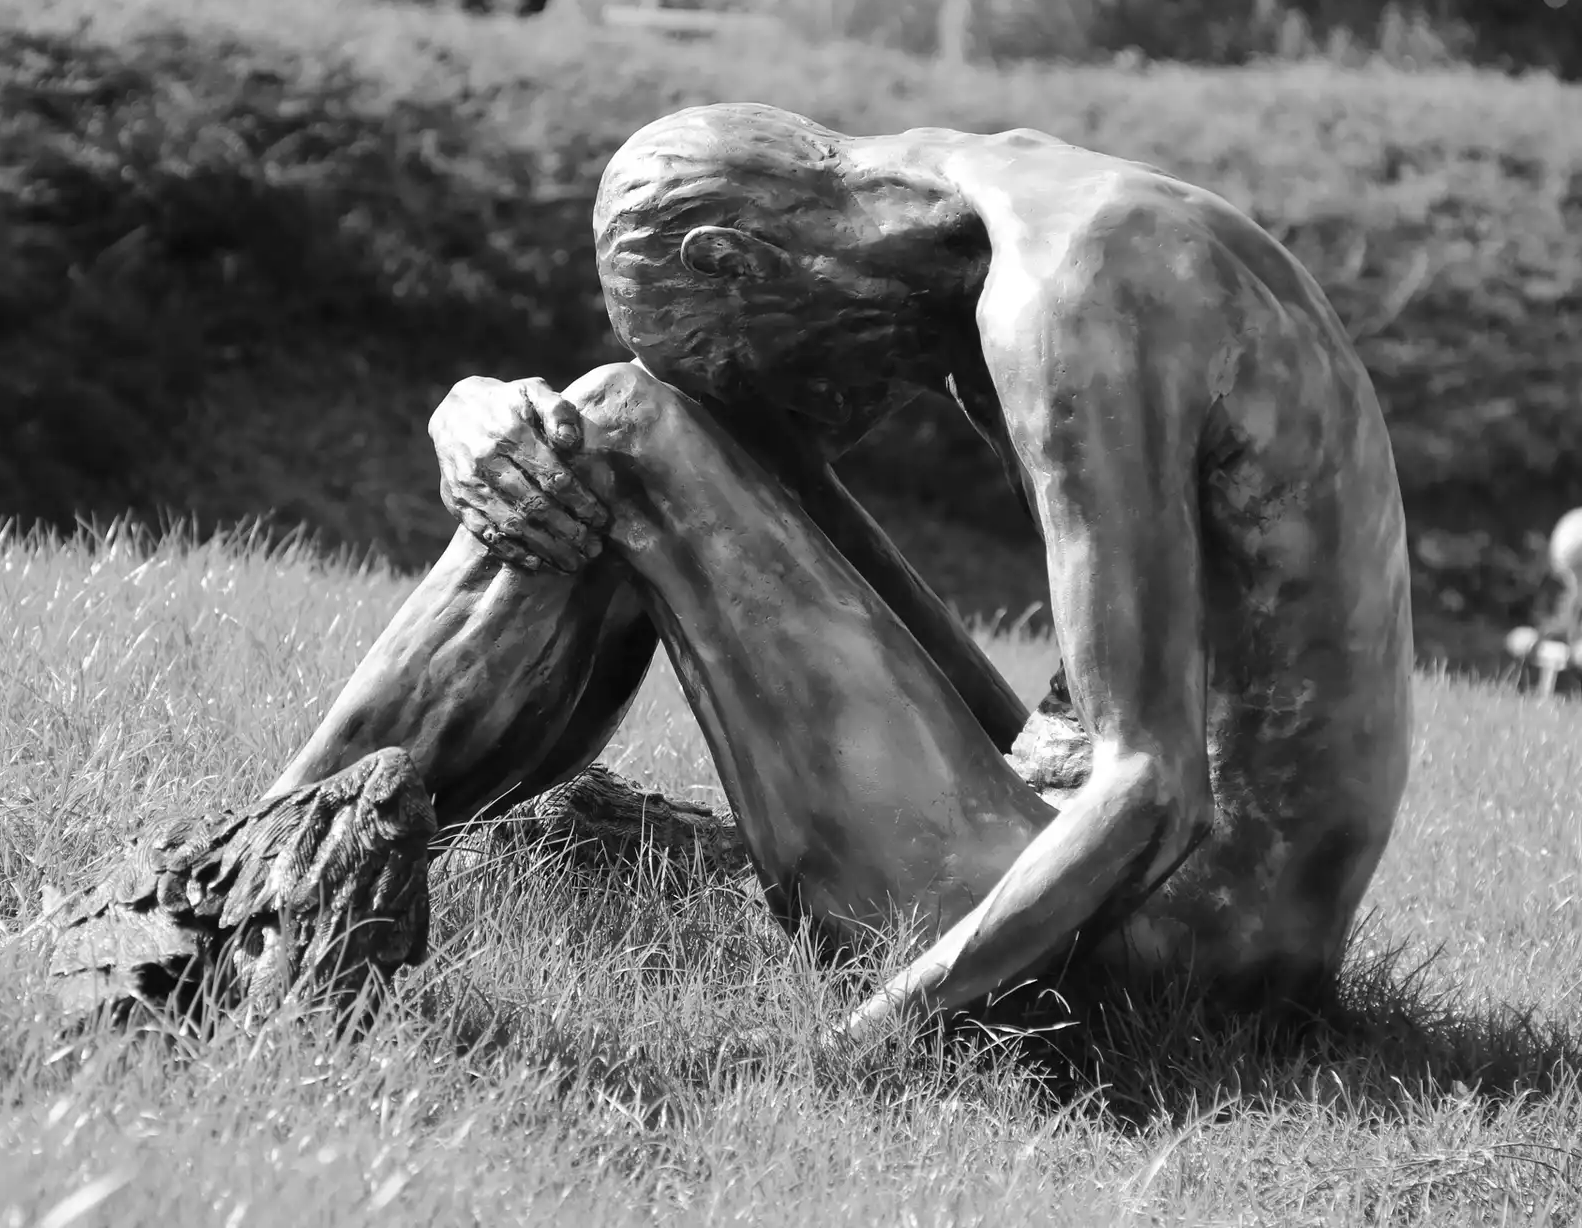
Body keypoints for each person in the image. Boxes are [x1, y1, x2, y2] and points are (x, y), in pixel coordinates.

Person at [258, 102, 1415, 1041]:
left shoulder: (1064, 301)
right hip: (1231, 917)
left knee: (613, 431)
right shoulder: (999, 201)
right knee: (601, 431)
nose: (806, 420)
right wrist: (473, 415)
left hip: (1168, 947)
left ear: (738, 260)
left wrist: (867, 1043)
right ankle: (279, 862)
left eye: (742, 370)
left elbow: (1150, 790)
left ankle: (243, 897)